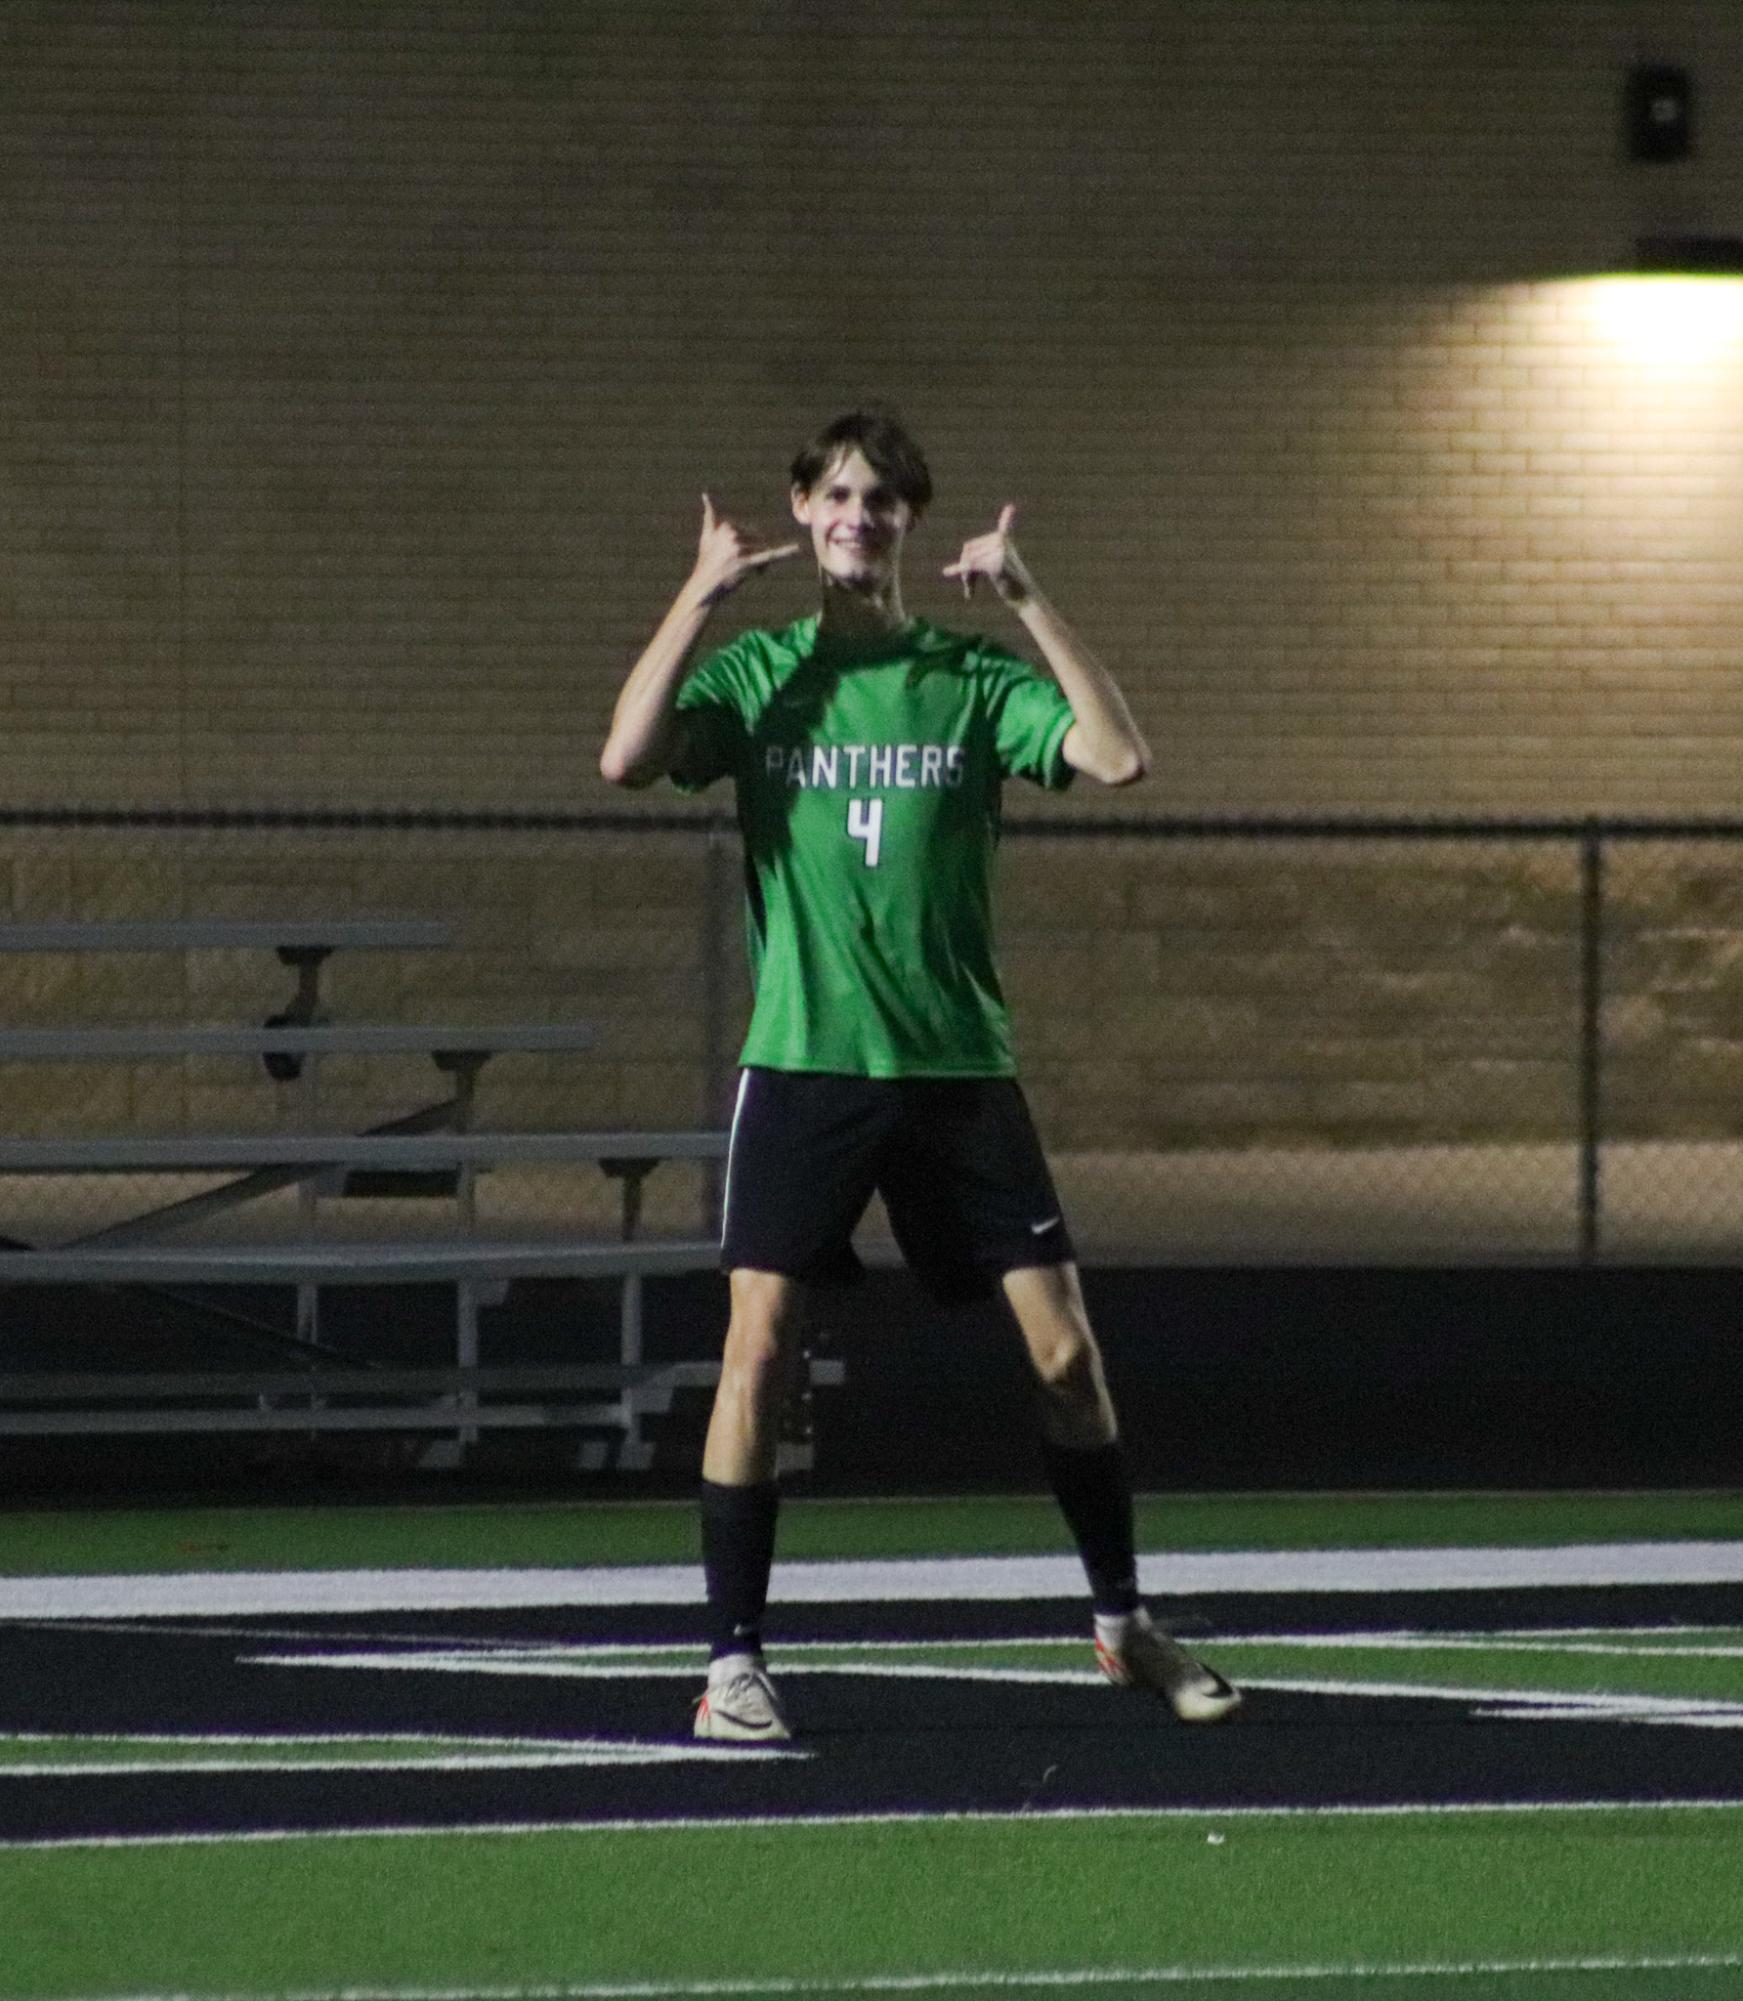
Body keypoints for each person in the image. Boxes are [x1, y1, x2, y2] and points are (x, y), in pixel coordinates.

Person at [601, 407, 1238, 1742]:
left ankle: (1124, 1620)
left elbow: (1117, 757)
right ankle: (732, 1664)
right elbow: (627, 755)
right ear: (802, 505)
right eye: (836, 493)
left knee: (1067, 1356)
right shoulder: (762, 672)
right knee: (757, 1353)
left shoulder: (963, 675)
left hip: (957, 1070)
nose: (857, 515)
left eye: (882, 499)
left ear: (907, 521)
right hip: (807, 1064)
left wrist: (1032, 599)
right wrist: (699, 595)